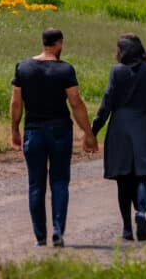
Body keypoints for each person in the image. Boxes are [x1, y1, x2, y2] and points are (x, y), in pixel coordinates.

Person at [11, 27, 98, 247]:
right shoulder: (65, 70)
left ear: (43, 43)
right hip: (60, 130)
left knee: (36, 185)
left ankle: (40, 237)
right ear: (59, 44)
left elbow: (16, 103)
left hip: (33, 131)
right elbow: (76, 103)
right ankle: (58, 231)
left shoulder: (23, 68)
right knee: (59, 182)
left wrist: (15, 129)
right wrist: (88, 133)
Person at [91, 33, 146, 242]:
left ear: (123, 51)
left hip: (119, 129)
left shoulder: (116, 72)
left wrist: (94, 128)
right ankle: (141, 213)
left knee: (122, 181)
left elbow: (106, 102)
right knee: (141, 176)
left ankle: (127, 229)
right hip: (143, 128)